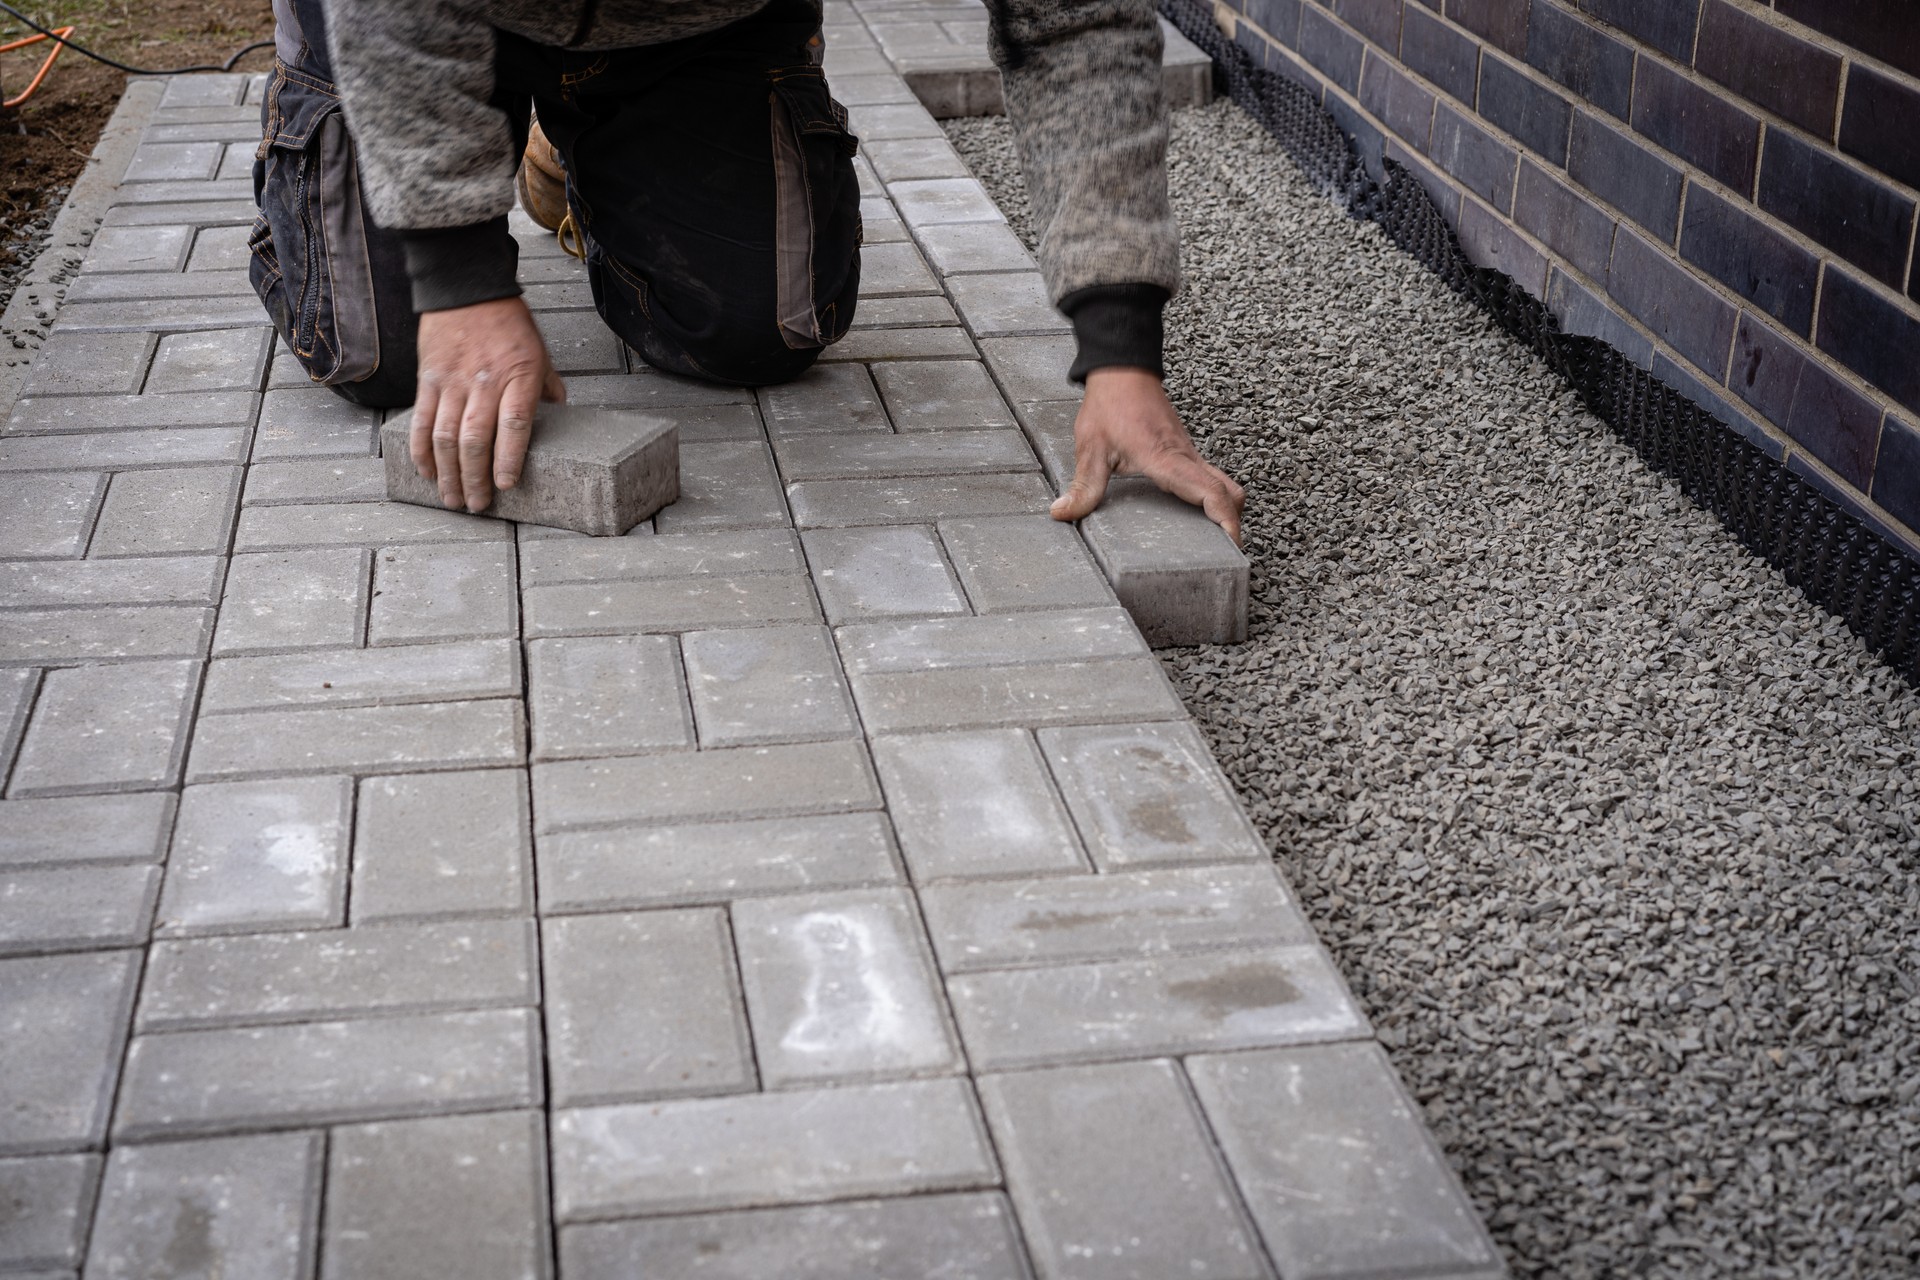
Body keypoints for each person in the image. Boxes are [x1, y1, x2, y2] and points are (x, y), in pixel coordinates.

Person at [249, 0, 1244, 543]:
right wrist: (460, 278)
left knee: (759, 328)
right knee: (382, 353)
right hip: (407, 21)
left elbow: (1074, 24)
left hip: (693, 29)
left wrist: (1121, 353)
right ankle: (372, 151)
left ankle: (572, 151)